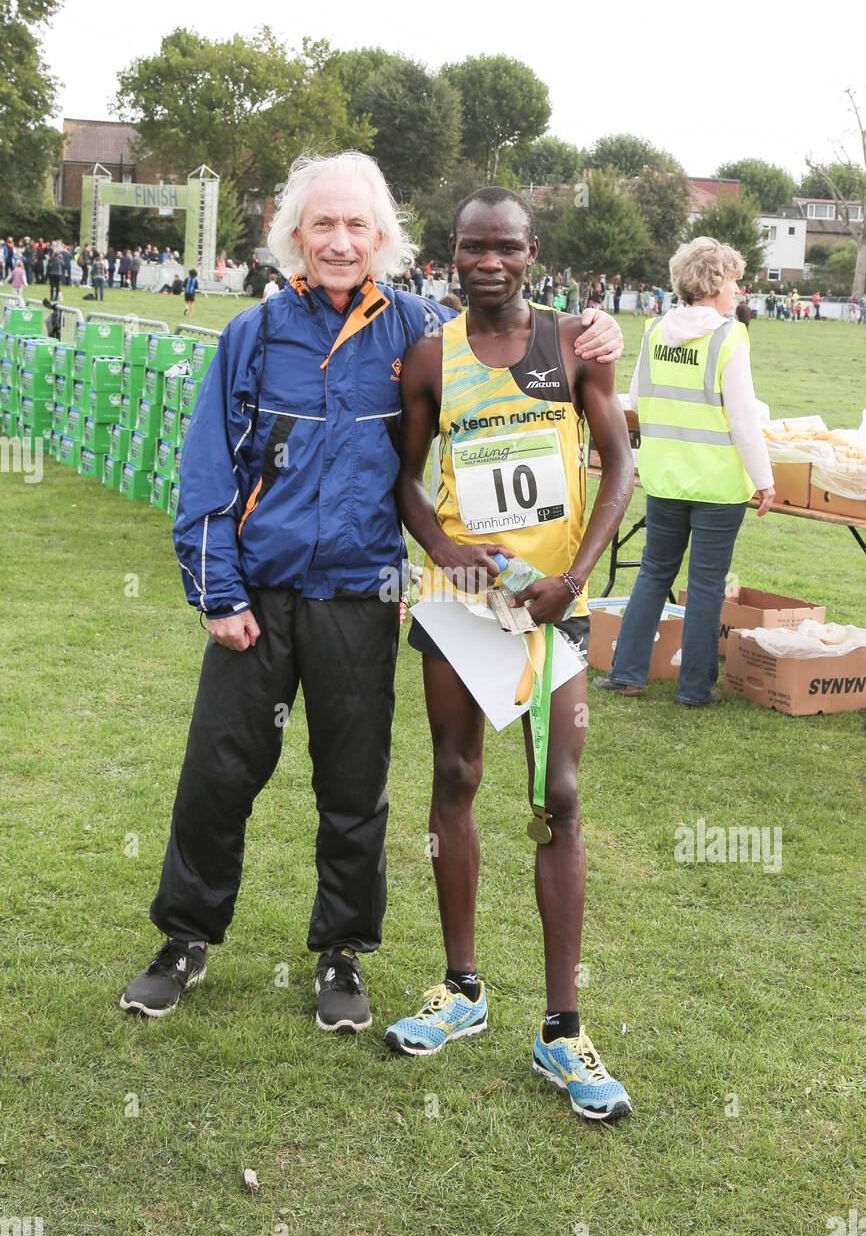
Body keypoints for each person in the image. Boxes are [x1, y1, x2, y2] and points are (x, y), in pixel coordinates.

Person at [118, 152, 625, 1030]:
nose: (341, 241)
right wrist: (218, 593)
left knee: (354, 785)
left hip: (360, 594)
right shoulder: (255, 332)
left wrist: (598, 331)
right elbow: (205, 467)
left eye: (358, 226)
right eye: (323, 224)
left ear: (383, 239)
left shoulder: (421, 331)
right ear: (295, 236)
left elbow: (514, 335)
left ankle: (342, 953)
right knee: (217, 773)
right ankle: (185, 937)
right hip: (260, 594)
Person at [387, 187, 635, 1122]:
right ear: (453, 252)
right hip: (460, 602)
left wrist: (574, 579)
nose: (489, 262)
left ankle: (563, 1028)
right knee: (453, 775)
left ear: (534, 252)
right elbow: (404, 479)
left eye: (508, 247)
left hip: (553, 603)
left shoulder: (574, 344)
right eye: (473, 247)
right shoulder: (427, 356)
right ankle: (462, 989)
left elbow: (619, 464)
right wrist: (443, 551)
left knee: (557, 796)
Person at [595, 236, 775, 707]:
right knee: (706, 584)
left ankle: (627, 672)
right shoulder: (728, 335)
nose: (738, 291)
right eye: (734, 281)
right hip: (717, 484)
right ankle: (695, 688)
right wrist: (765, 480)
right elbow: (742, 419)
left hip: (664, 476)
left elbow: (635, 400)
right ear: (716, 283)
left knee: (654, 573)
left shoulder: (655, 331)